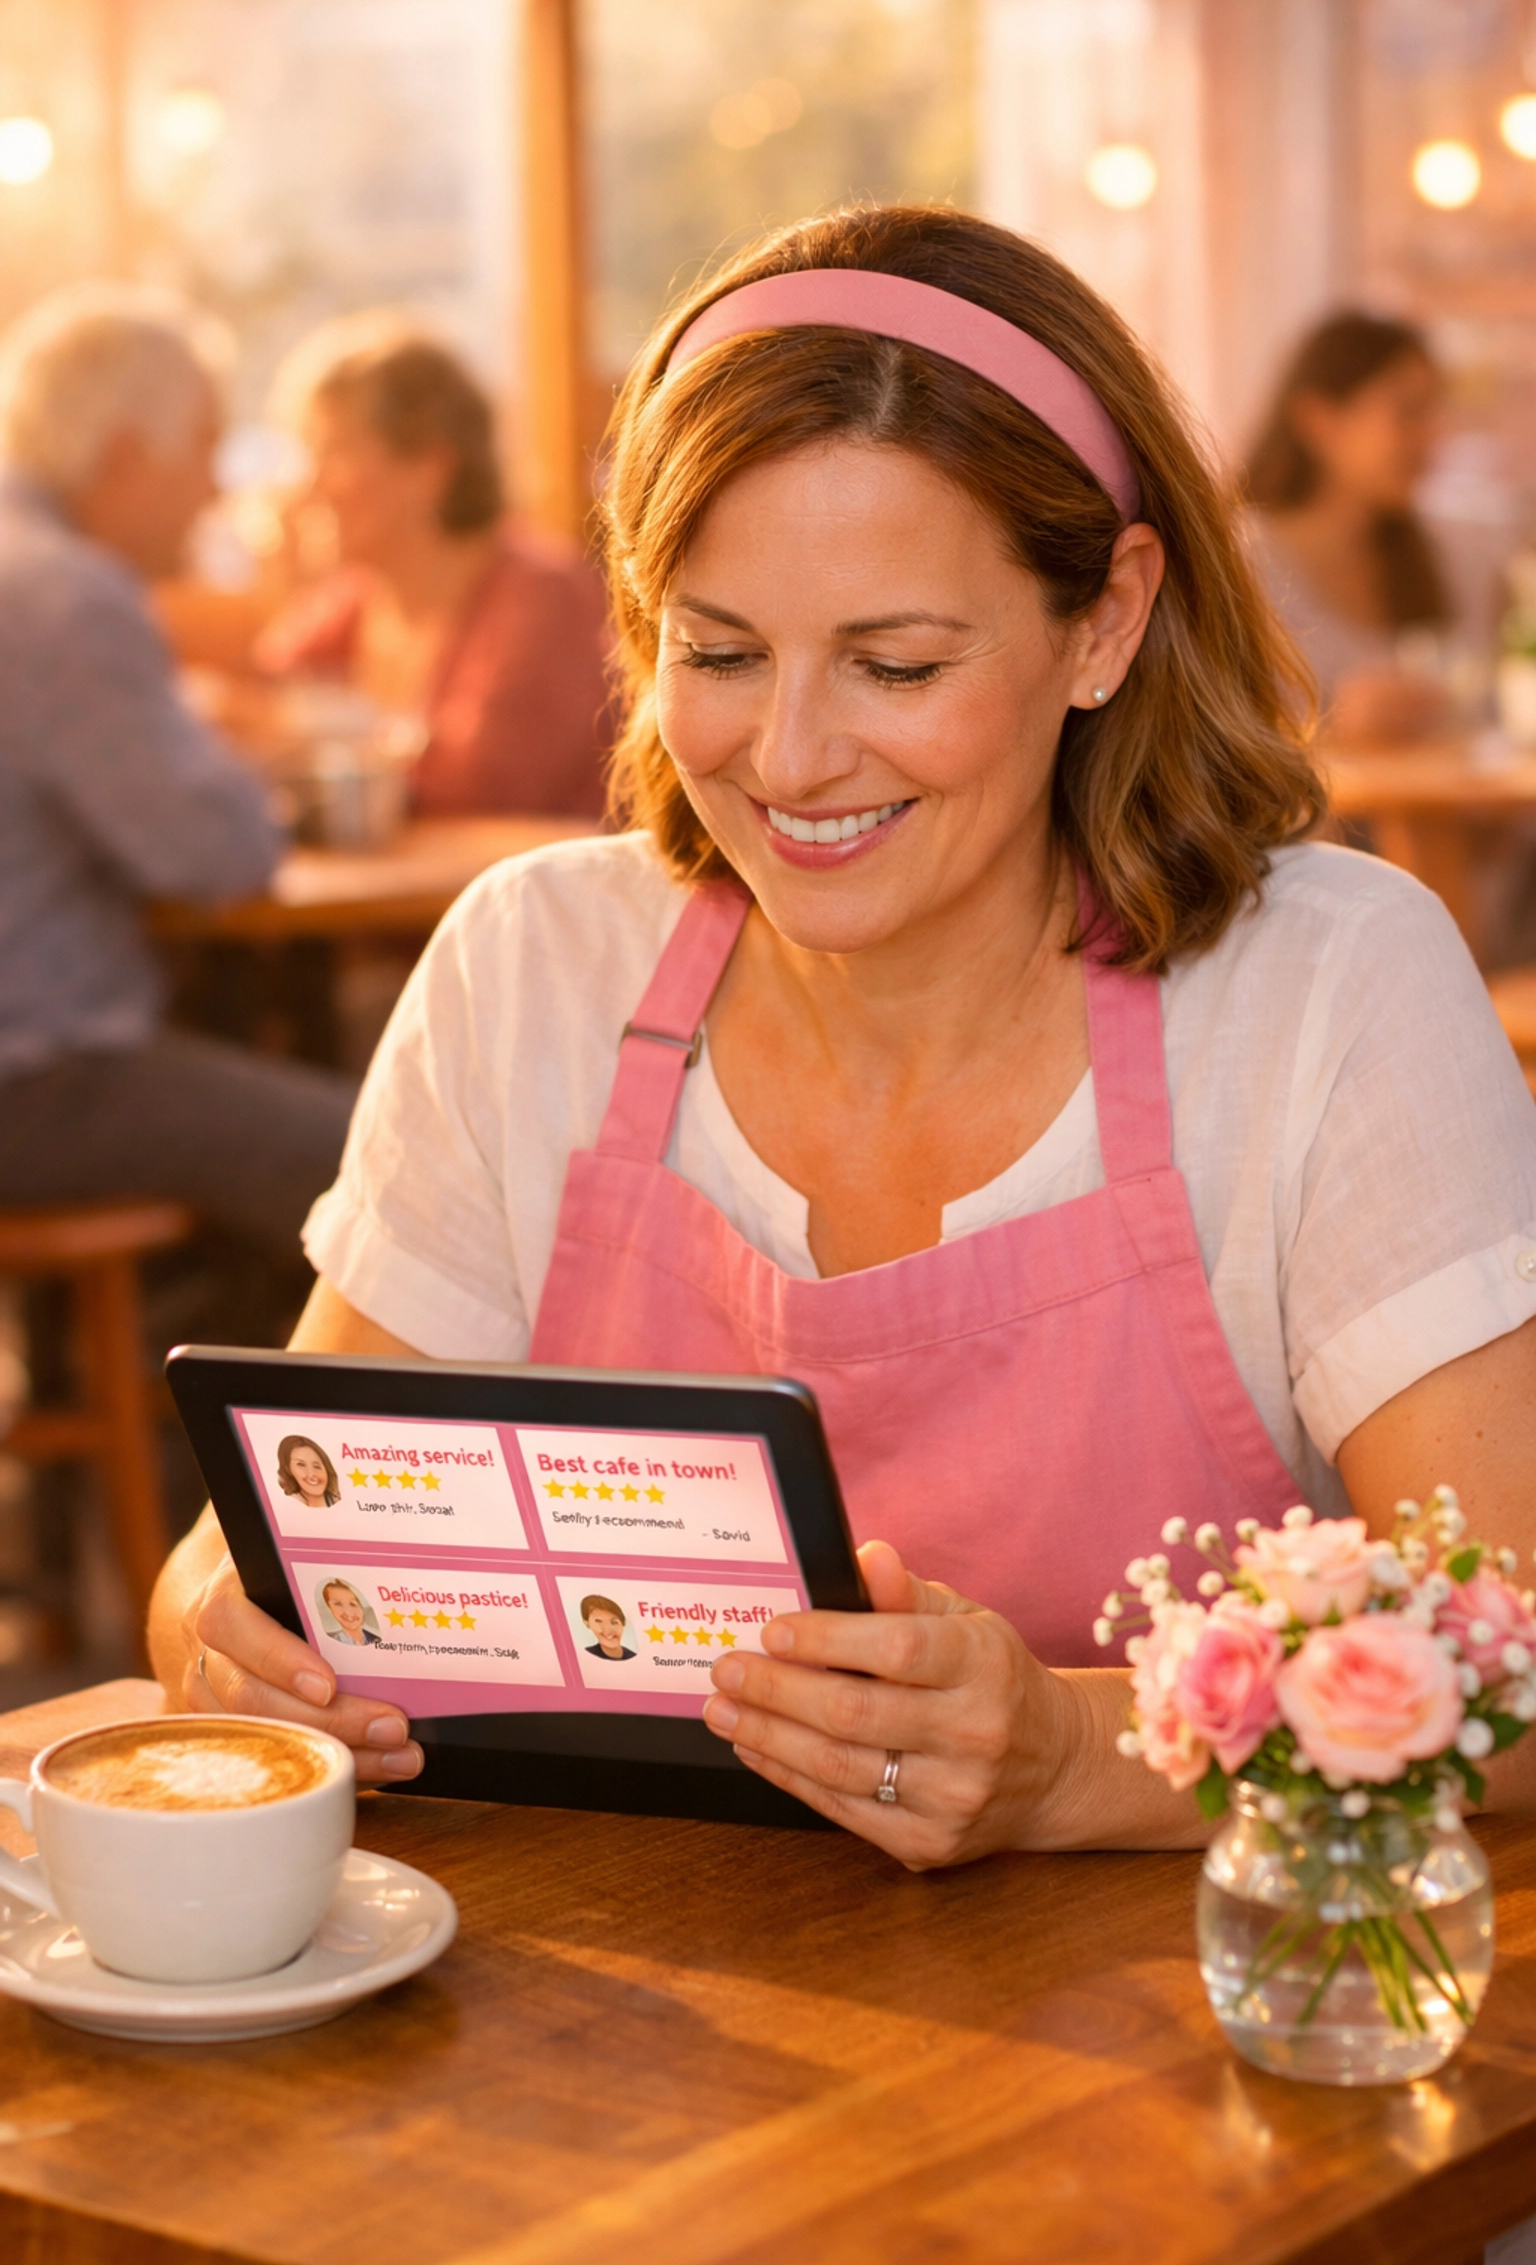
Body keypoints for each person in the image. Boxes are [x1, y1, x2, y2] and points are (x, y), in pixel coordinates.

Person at [151, 207, 1536, 1864]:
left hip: (1191, 2002)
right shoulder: (534, 966)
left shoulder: (1326, 988)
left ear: (1104, 620)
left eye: (895, 664)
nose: (793, 757)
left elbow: (1514, 1658)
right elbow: (251, 1545)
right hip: (618, 1986)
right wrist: (222, 1634)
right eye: (718, 652)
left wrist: (1076, 1756)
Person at [0, 283, 355, 1257]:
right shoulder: (64, 597)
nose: (214, 491)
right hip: (34, 1076)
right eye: (203, 450)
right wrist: (225, 753)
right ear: (123, 457)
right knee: (391, 1158)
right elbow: (217, 852)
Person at [252, 317, 613, 818]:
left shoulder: (543, 594)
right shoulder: (354, 598)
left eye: (333, 451)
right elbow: (261, 708)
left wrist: (303, 729)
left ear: (430, 466)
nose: (307, 485)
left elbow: (484, 785)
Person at [1243, 312, 1455, 747]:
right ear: (1318, 419)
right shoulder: (1240, 563)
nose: (1431, 437)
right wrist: (1333, 727)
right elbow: (1209, 746)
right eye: (1408, 412)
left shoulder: (1434, 553)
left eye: (1433, 412)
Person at [276, 1435, 340, 1509]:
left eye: (316, 1466)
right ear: (288, 1469)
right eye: (301, 1465)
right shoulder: (286, 1507)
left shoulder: (340, 1503)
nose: (311, 1474)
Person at [318, 1580, 380, 1648]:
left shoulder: (377, 1640)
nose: (348, 1611)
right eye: (338, 1604)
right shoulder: (328, 1644)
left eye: (353, 1604)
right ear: (329, 1607)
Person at [580, 1593, 635, 1661]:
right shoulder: (585, 1657)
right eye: (598, 1621)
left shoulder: (634, 1658)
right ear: (587, 1623)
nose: (608, 1630)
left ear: (623, 1623)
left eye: (614, 1622)